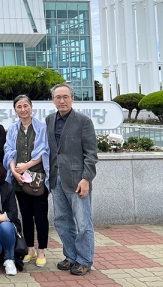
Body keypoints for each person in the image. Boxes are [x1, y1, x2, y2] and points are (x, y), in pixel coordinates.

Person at [46, 83, 98, 276]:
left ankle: (84, 260)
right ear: (53, 100)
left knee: (83, 222)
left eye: (65, 96)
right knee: (61, 220)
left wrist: (86, 179)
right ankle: (71, 256)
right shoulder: (49, 120)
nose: (62, 100)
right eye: (58, 97)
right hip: (56, 178)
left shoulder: (83, 121)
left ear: (72, 98)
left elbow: (91, 154)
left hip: (77, 180)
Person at [4, 95, 50, 267]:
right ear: (15, 109)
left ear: (31, 107)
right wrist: (15, 173)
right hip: (19, 181)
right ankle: (30, 249)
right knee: (25, 216)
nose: (23, 109)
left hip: (37, 180)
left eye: (25, 106)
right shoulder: (13, 129)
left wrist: (27, 165)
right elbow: (8, 151)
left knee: (40, 216)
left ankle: (41, 251)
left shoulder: (41, 128)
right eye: (19, 107)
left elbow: (45, 151)